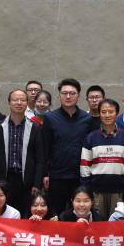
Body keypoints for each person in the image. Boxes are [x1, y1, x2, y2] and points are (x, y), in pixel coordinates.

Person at [80, 98, 124, 217]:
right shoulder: (90, 138)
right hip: (96, 193)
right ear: (99, 114)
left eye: (111, 112)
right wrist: (88, 189)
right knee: (98, 224)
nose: (107, 115)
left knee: (117, 224)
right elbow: (85, 167)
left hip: (120, 193)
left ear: (117, 113)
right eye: (103, 112)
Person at [0, 88, 45, 214]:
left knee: (25, 215)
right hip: (4, 179)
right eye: (15, 100)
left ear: (27, 103)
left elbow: (40, 159)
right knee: (4, 214)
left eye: (22, 100)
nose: (19, 103)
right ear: (9, 102)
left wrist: (37, 184)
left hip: (26, 182)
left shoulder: (35, 128)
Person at [43, 79, 92, 215]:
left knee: (79, 213)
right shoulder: (50, 118)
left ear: (78, 96)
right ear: (59, 95)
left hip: (80, 176)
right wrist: (45, 173)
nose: (68, 96)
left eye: (72, 93)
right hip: (57, 176)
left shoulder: (87, 119)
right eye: (64, 93)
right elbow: (45, 148)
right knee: (56, 213)